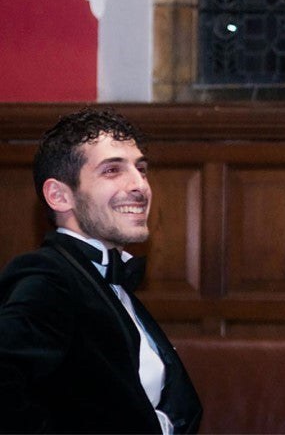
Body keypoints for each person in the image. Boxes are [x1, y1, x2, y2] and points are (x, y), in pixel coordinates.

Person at [0, 108, 203, 433]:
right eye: (112, 171)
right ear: (59, 195)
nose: (140, 186)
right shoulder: (49, 277)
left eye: (141, 169)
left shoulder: (104, 279)